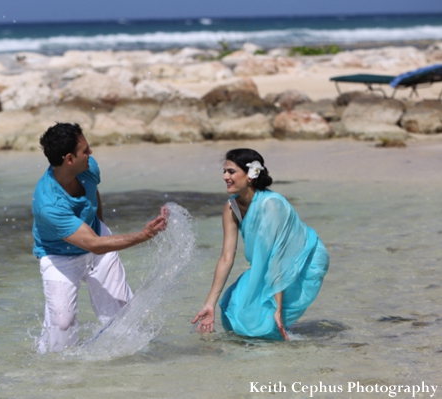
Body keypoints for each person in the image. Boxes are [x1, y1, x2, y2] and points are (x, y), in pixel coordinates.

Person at [32, 123, 167, 353]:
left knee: (122, 318)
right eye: (85, 150)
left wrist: (101, 225)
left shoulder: (88, 167)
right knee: (61, 332)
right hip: (59, 257)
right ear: (69, 159)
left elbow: (93, 192)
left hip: (96, 240)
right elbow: (94, 244)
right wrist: (145, 235)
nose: (91, 153)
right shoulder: (48, 203)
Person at [192, 148, 329, 341]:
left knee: (263, 323)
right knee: (231, 309)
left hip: (305, 259)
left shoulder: (271, 205)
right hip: (272, 262)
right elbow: (226, 257)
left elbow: (278, 257)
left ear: (251, 176)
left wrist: (277, 308)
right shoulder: (231, 207)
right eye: (224, 171)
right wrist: (209, 304)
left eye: (231, 171)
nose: (225, 177)